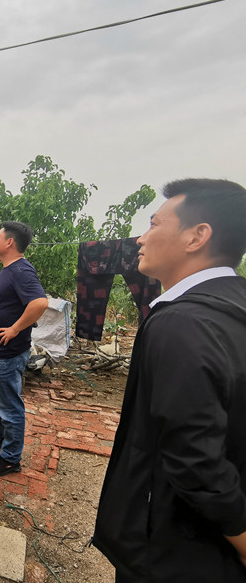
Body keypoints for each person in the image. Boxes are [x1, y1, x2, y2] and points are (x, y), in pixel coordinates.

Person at [93, 179, 246, 582]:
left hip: (173, 548)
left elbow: (195, 458)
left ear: (197, 236)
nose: (141, 239)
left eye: (154, 224)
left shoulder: (182, 323)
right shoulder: (232, 307)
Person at [0, 222, 47, 477]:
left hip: (9, 350)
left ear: (10, 242)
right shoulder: (9, 269)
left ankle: (11, 458)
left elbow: (39, 303)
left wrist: (14, 329)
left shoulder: (21, 270)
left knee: (10, 405)